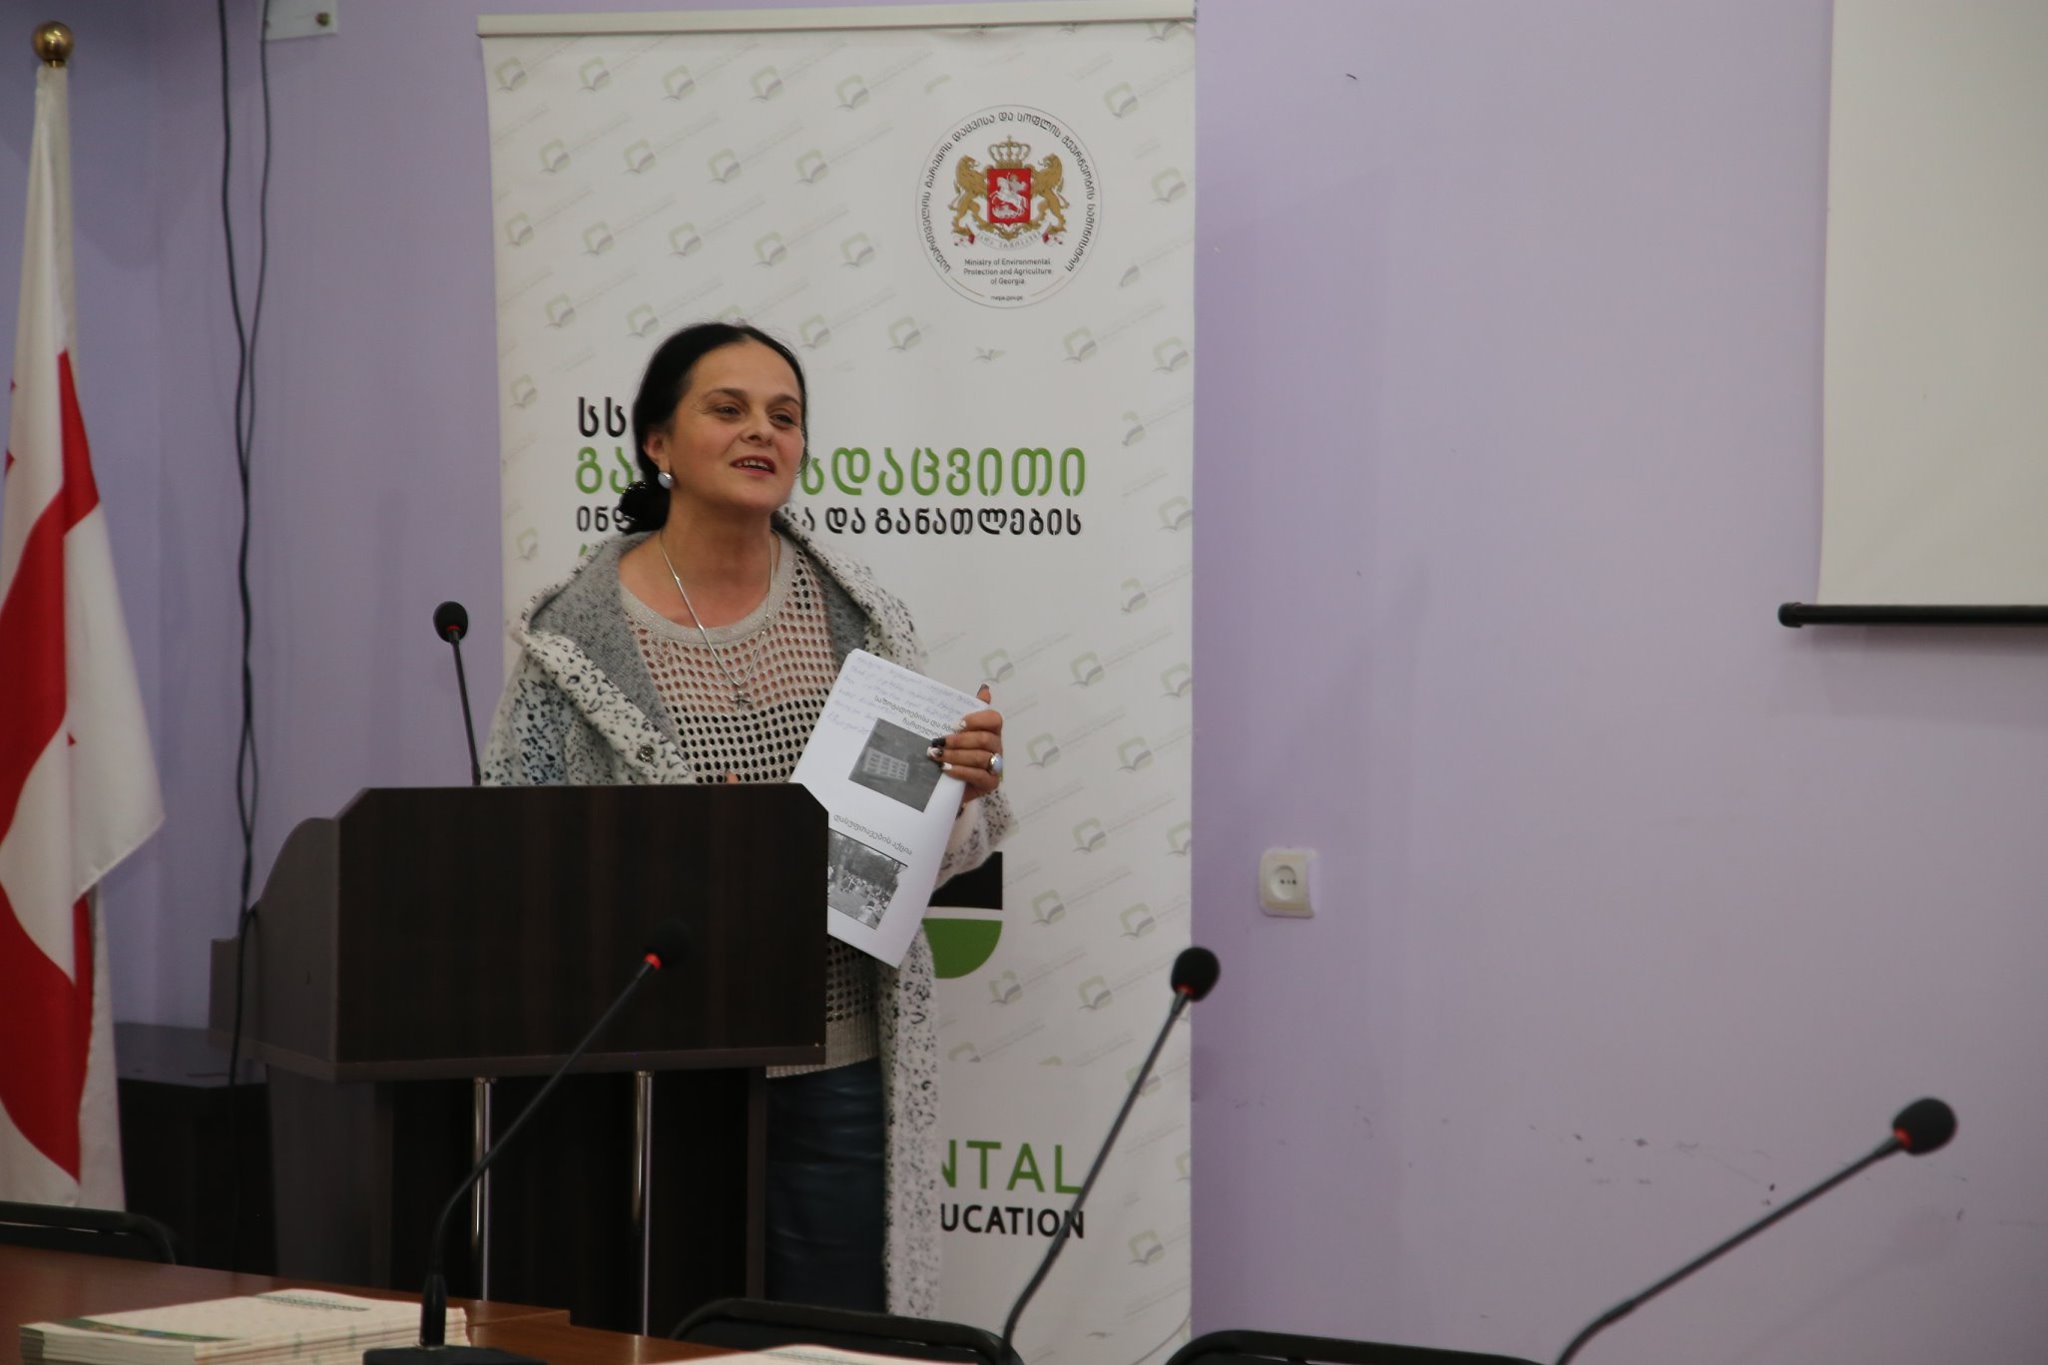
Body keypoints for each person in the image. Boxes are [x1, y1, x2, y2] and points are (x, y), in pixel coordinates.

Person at [482, 321, 1010, 1316]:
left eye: (785, 415)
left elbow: (922, 862)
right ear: (657, 443)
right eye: (727, 409)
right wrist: (687, 847)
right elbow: (515, 856)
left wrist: (959, 793)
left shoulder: (861, 618)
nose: (762, 431)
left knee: (833, 1338)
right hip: (650, 1073)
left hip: (832, 1056)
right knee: (656, 1327)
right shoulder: (570, 640)